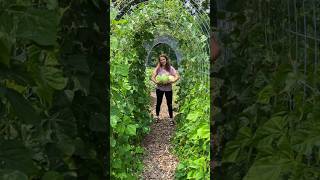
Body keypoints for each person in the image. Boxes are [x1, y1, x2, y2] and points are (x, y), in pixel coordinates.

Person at [151, 54, 180, 126]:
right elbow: (152, 77)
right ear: (159, 61)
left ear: (166, 60)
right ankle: (157, 117)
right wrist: (156, 82)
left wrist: (172, 81)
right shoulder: (158, 68)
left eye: (164, 59)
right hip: (159, 88)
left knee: (169, 104)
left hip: (168, 89)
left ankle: (171, 119)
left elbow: (177, 76)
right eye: (161, 60)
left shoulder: (170, 68)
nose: (162, 61)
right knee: (158, 103)